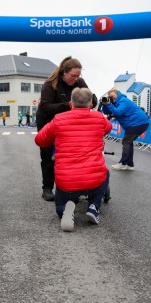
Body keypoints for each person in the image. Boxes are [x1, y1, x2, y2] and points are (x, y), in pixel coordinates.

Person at [35, 88, 112, 232]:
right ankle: (94, 206)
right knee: (105, 173)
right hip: (94, 181)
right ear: (90, 104)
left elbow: (39, 139)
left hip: (67, 183)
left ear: (71, 103)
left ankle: (65, 209)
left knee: (59, 204)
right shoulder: (99, 117)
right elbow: (108, 128)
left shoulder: (58, 119)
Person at [36, 56, 98, 201]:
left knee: (68, 155)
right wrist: (68, 105)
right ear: (64, 72)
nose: (76, 79)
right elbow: (45, 107)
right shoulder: (50, 84)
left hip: (68, 124)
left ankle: (70, 186)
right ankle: (47, 187)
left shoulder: (80, 82)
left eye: (78, 75)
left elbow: (90, 98)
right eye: (73, 75)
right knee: (48, 156)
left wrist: (92, 100)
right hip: (48, 121)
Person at [101, 88, 150, 171]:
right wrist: (105, 104)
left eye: (113, 96)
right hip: (137, 123)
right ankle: (130, 164)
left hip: (138, 122)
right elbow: (106, 112)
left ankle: (123, 163)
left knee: (126, 141)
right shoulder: (115, 103)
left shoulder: (123, 101)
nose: (112, 98)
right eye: (110, 97)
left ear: (117, 94)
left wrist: (109, 104)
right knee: (129, 142)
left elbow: (118, 112)